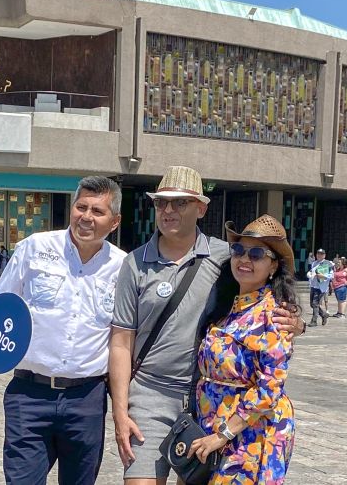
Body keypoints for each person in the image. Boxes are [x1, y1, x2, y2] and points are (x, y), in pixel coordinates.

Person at [108, 167, 303, 484]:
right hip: (151, 395)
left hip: (210, 407)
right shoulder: (135, 263)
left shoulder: (225, 258)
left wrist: (296, 323)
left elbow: (267, 302)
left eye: (180, 203)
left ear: (201, 208)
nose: (169, 211)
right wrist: (119, 413)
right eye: (161, 203)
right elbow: (120, 342)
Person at [0, 176, 126, 484]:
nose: (86, 217)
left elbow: (124, 336)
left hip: (86, 400)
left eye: (97, 211)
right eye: (81, 207)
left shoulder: (123, 267)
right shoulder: (35, 248)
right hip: (29, 395)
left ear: (114, 222)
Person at [189, 215, 297, 483]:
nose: (245, 259)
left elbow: (269, 388)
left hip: (250, 432)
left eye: (257, 253)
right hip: (214, 425)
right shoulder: (229, 305)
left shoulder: (274, 315)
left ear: (273, 266)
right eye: (239, 250)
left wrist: (223, 434)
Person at [306, 248, 332, 326]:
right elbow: (311, 271)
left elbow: (330, 275)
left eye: (321, 254)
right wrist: (309, 274)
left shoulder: (327, 263)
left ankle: (314, 321)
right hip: (313, 286)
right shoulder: (314, 263)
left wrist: (323, 276)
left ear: (324, 255)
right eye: (318, 254)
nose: (319, 255)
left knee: (315, 303)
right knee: (312, 304)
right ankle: (324, 315)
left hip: (321, 287)